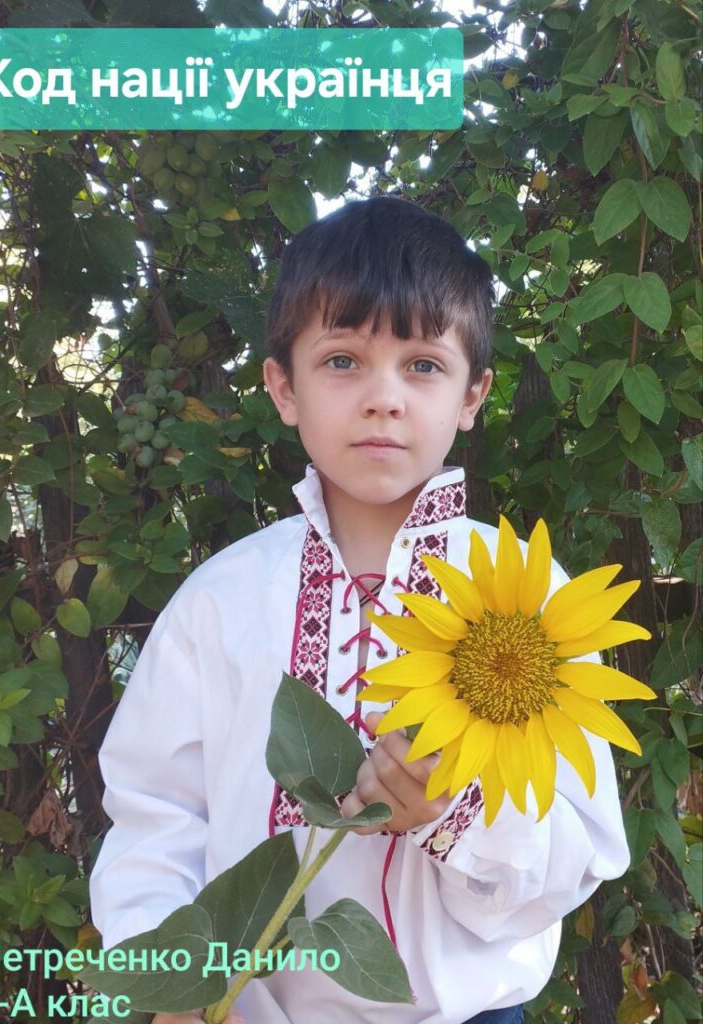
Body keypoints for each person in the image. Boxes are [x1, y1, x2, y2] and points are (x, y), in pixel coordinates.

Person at [89, 196, 630, 1024]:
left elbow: (574, 850)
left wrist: (449, 816)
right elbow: (155, 813)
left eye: (423, 365)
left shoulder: (535, 598)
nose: (384, 398)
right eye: (342, 360)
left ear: (473, 395)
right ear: (283, 387)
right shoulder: (222, 599)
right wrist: (173, 985)